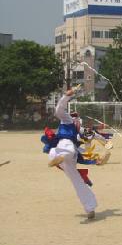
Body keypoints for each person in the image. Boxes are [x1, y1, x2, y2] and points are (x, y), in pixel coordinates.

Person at [48, 89, 97, 220]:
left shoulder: (78, 128)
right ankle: (58, 157)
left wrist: (93, 156)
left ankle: (90, 207)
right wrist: (66, 96)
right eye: (74, 115)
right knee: (63, 150)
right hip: (63, 145)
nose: (75, 117)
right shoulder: (66, 119)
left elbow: (89, 136)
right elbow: (58, 109)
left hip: (71, 156)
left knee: (78, 181)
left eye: (77, 117)